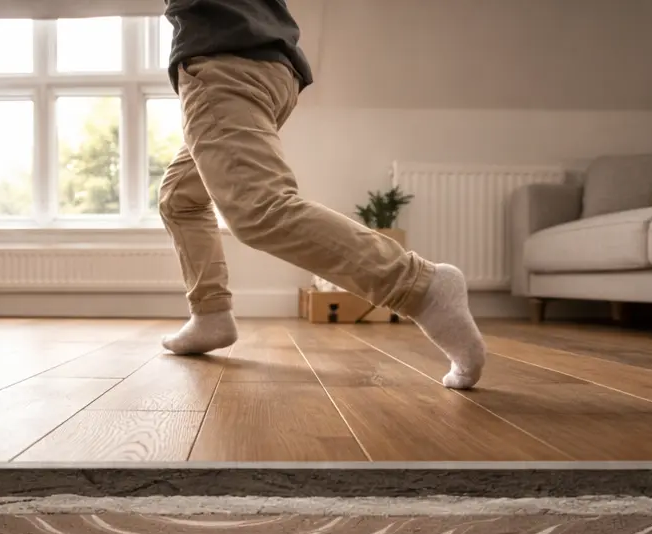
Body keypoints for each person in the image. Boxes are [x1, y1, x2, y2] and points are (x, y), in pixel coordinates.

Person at [156, 1, 487, 391]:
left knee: (259, 209)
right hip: (266, 62)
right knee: (180, 197)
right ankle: (210, 314)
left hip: (223, 62)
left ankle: (421, 286)